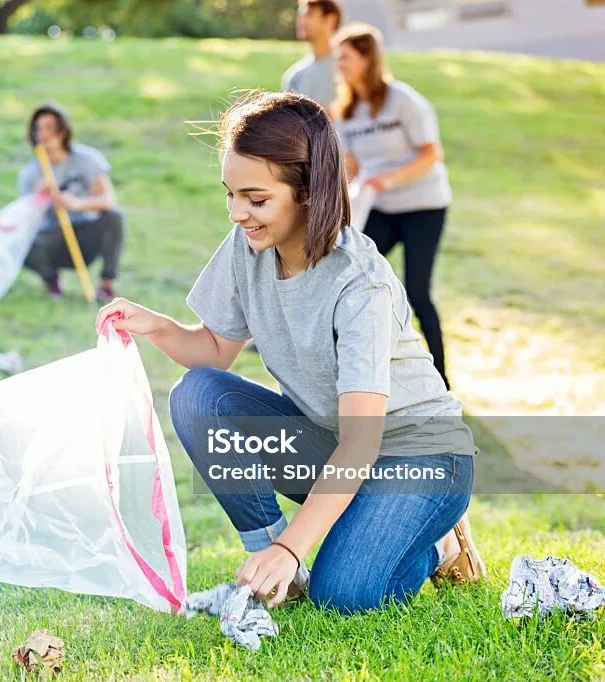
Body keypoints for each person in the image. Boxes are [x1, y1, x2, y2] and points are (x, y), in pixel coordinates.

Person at [95, 91, 484, 615]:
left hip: (419, 457)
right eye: (230, 195)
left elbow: (362, 442)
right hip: (334, 442)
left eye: (256, 199)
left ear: (307, 191)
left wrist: (293, 544)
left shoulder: (359, 285)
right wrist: (158, 327)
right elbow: (212, 352)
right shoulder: (249, 247)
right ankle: (281, 571)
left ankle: (437, 545)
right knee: (200, 397)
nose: (237, 213)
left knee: (344, 596)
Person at [332, 24, 454, 389]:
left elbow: (432, 154)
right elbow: (351, 167)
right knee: (350, 275)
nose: (339, 66)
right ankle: (357, 371)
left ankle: (441, 381)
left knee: (417, 291)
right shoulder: (347, 111)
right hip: (381, 209)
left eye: (346, 58)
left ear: (367, 58)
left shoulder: (404, 101)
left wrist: (390, 178)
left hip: (423, 207)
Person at [18, 103, 126, 302]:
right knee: (20, 241)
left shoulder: (86, 159)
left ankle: (106, 284)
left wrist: (76, 203)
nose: (43, 134)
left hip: (86, 233)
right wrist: (38, 196)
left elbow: (108, 199)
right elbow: (26, 218)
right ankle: (51, 280)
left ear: (62, 130)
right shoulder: (31, 173)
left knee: (114, 217)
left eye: (49, 127)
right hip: (53, 238)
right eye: (37, 128)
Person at [281, 0, 342, 110]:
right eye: (300, 15)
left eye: (309, 14)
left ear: (330, 20)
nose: (301, 20)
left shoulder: (346, 67)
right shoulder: (294, 76)